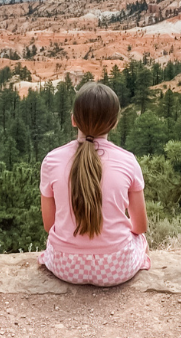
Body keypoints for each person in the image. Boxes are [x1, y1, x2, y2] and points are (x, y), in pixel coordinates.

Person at [39, 82, 150, 287]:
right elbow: (140, 226)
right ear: (114, 123)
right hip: (116, 267)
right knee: (140, 240)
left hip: (65, 265)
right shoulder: (128, 161)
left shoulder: (51, 160)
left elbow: (49, 225)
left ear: (74, 120)